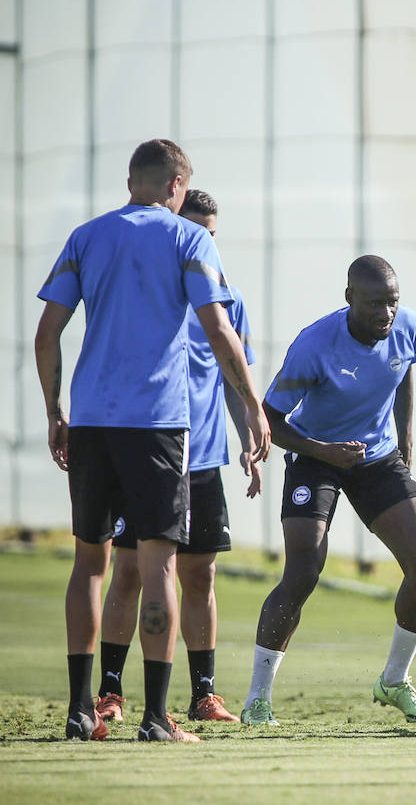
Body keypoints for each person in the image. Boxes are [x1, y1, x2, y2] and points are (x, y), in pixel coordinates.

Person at [35, 139, 270, 743]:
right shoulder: (189, 239)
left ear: (132, 179)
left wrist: (54, 411)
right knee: (161, 563)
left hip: (89, 421)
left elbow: (46, 334)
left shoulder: (86, 237)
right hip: (158, 426)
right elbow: (219, 330)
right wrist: (251, 404)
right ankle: (156, 717)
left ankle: (81, 710)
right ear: (176, 187)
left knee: (92, 563)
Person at [240, 255, 416, 726]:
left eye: (392, 303)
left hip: (377, 457)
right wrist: (324, 452)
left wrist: (405, 435)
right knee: (303, 570)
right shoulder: (314, 346)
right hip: (315, 458)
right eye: (374, 304)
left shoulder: (408, 327)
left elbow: (404, 370)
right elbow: (271, 421)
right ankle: (257, 700)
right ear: (349, 297)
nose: (385, 314)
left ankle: (394, 681)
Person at [93, 190, 258, 727]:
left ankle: (204, 693)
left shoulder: (229, 301)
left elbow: (235, 379)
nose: (204, 244)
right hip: (147, 453)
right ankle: (111, 692)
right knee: (130, 571)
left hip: (203, 456)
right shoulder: (150, 297)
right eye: (196, 233)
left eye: (212, 235)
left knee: (201, 574)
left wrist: (248, 441)